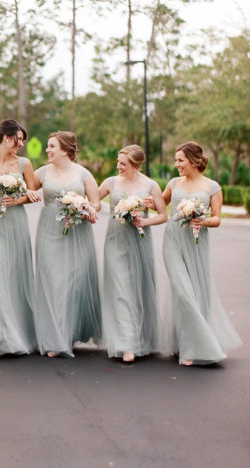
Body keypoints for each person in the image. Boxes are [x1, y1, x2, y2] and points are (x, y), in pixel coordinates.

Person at [153, 141, 242, 366]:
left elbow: (217, 219)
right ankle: (194, 346)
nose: (177, 165)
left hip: (196, 242)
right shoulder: (173, 183)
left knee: (194, 291)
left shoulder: (212, 187)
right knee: (182, 290)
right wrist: (142, 203)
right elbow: (160, 205)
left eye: (180, 160)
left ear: (193, 160)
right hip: (173, 241)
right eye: (176, 160)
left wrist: (202, 221)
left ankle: (186, 343)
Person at [32, 131, 102, 357]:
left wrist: (88, 208)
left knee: (72, 283)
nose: (47, 150)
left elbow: (97, 202)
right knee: (52, 281)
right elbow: (26, 190)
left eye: (51, 146)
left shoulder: (83, 174)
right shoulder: (42, 172)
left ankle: (67, 333)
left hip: (77, 232)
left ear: (64, 150)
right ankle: (55, 336)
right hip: (49, 231)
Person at [0, 119, 40, 361]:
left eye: (22, 140)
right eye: (18, 139)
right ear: (5, 136)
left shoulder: (24, 163)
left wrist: (19, 199)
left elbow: (32, 194)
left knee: (15, 278)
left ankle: (18, 336)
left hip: (16, 224)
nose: (21, 144)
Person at [98, 145, 167, 363]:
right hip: (115, 242)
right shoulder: (110, 183)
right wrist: (79, 206)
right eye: (117, 162)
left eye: (123, 164)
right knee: (120, 290)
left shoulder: (150, 185)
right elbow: (93, 200)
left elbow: (163, 214)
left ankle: (140, 339)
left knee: (137, 289)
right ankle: (126, 344)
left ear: (136, 165)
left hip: (139, 242)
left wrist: (146, 218)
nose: (118, 166)